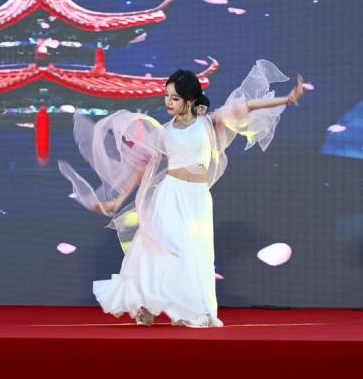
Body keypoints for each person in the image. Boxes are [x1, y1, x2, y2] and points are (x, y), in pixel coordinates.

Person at [58, 60, 306, 328]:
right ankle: (146, 305)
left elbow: (247, 106)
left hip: (197, 198)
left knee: (194, 254)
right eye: (167, 96)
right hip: (170, 194)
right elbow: (141, 167)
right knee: (160, 250)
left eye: (174, 98)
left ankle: (189, 308)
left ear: (190, 100)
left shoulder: (210, 122)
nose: (168, 102)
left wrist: (287, 99)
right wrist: (117, 201)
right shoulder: (164, 132)